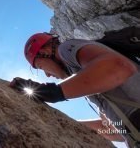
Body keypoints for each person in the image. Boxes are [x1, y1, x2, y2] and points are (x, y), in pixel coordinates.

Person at [10, 32, 140, 147]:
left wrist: (52, 92)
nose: (48, 75)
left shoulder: (66, 49)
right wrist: (64, 124)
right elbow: (116, 131)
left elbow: (119, 67)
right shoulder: (92, 82)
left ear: (45, 52)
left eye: (40, 66)